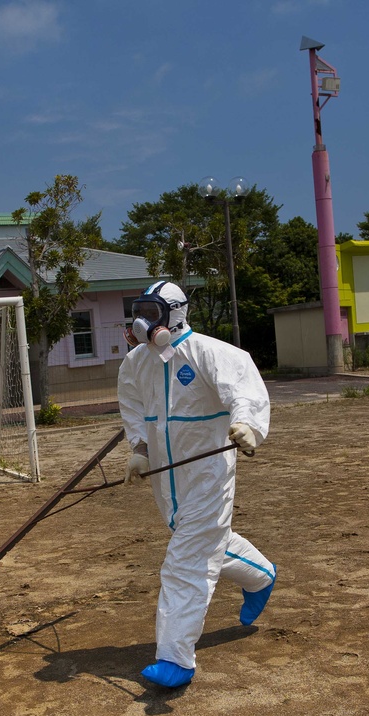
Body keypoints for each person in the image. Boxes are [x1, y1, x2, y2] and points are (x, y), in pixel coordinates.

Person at [117, 280, 276, 689]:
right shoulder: (136, 362)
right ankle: (260, 575)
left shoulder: (211, 352)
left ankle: (175, 658)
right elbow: (133, 408)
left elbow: (244, 390)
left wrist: (246, 425)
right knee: (201, 540)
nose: (142, 322)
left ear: (175, 313)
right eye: (139, 312)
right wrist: (139, 449)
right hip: (165, 476)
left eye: (151, 314)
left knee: (185, 560)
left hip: (208, 471)